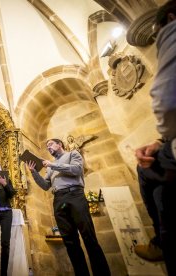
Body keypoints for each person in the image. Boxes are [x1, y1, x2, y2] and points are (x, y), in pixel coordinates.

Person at [134, 1, 176, 274]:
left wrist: (163, 138)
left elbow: (166, 99)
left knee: (145, 167)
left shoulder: (172, 31)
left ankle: (161, 242)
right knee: (163, 192)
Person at [26, 139, 110, 276]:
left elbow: (76, 170)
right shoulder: (49, 168)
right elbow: (46, 186)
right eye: (47, 146)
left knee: (88, 236)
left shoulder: (73, 154)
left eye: (51, 144)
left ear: (60, 144)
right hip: (59, 200)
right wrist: (34, 172)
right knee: (70, 242)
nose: (48, 147)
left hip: (75, 195)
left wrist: (52, 165)